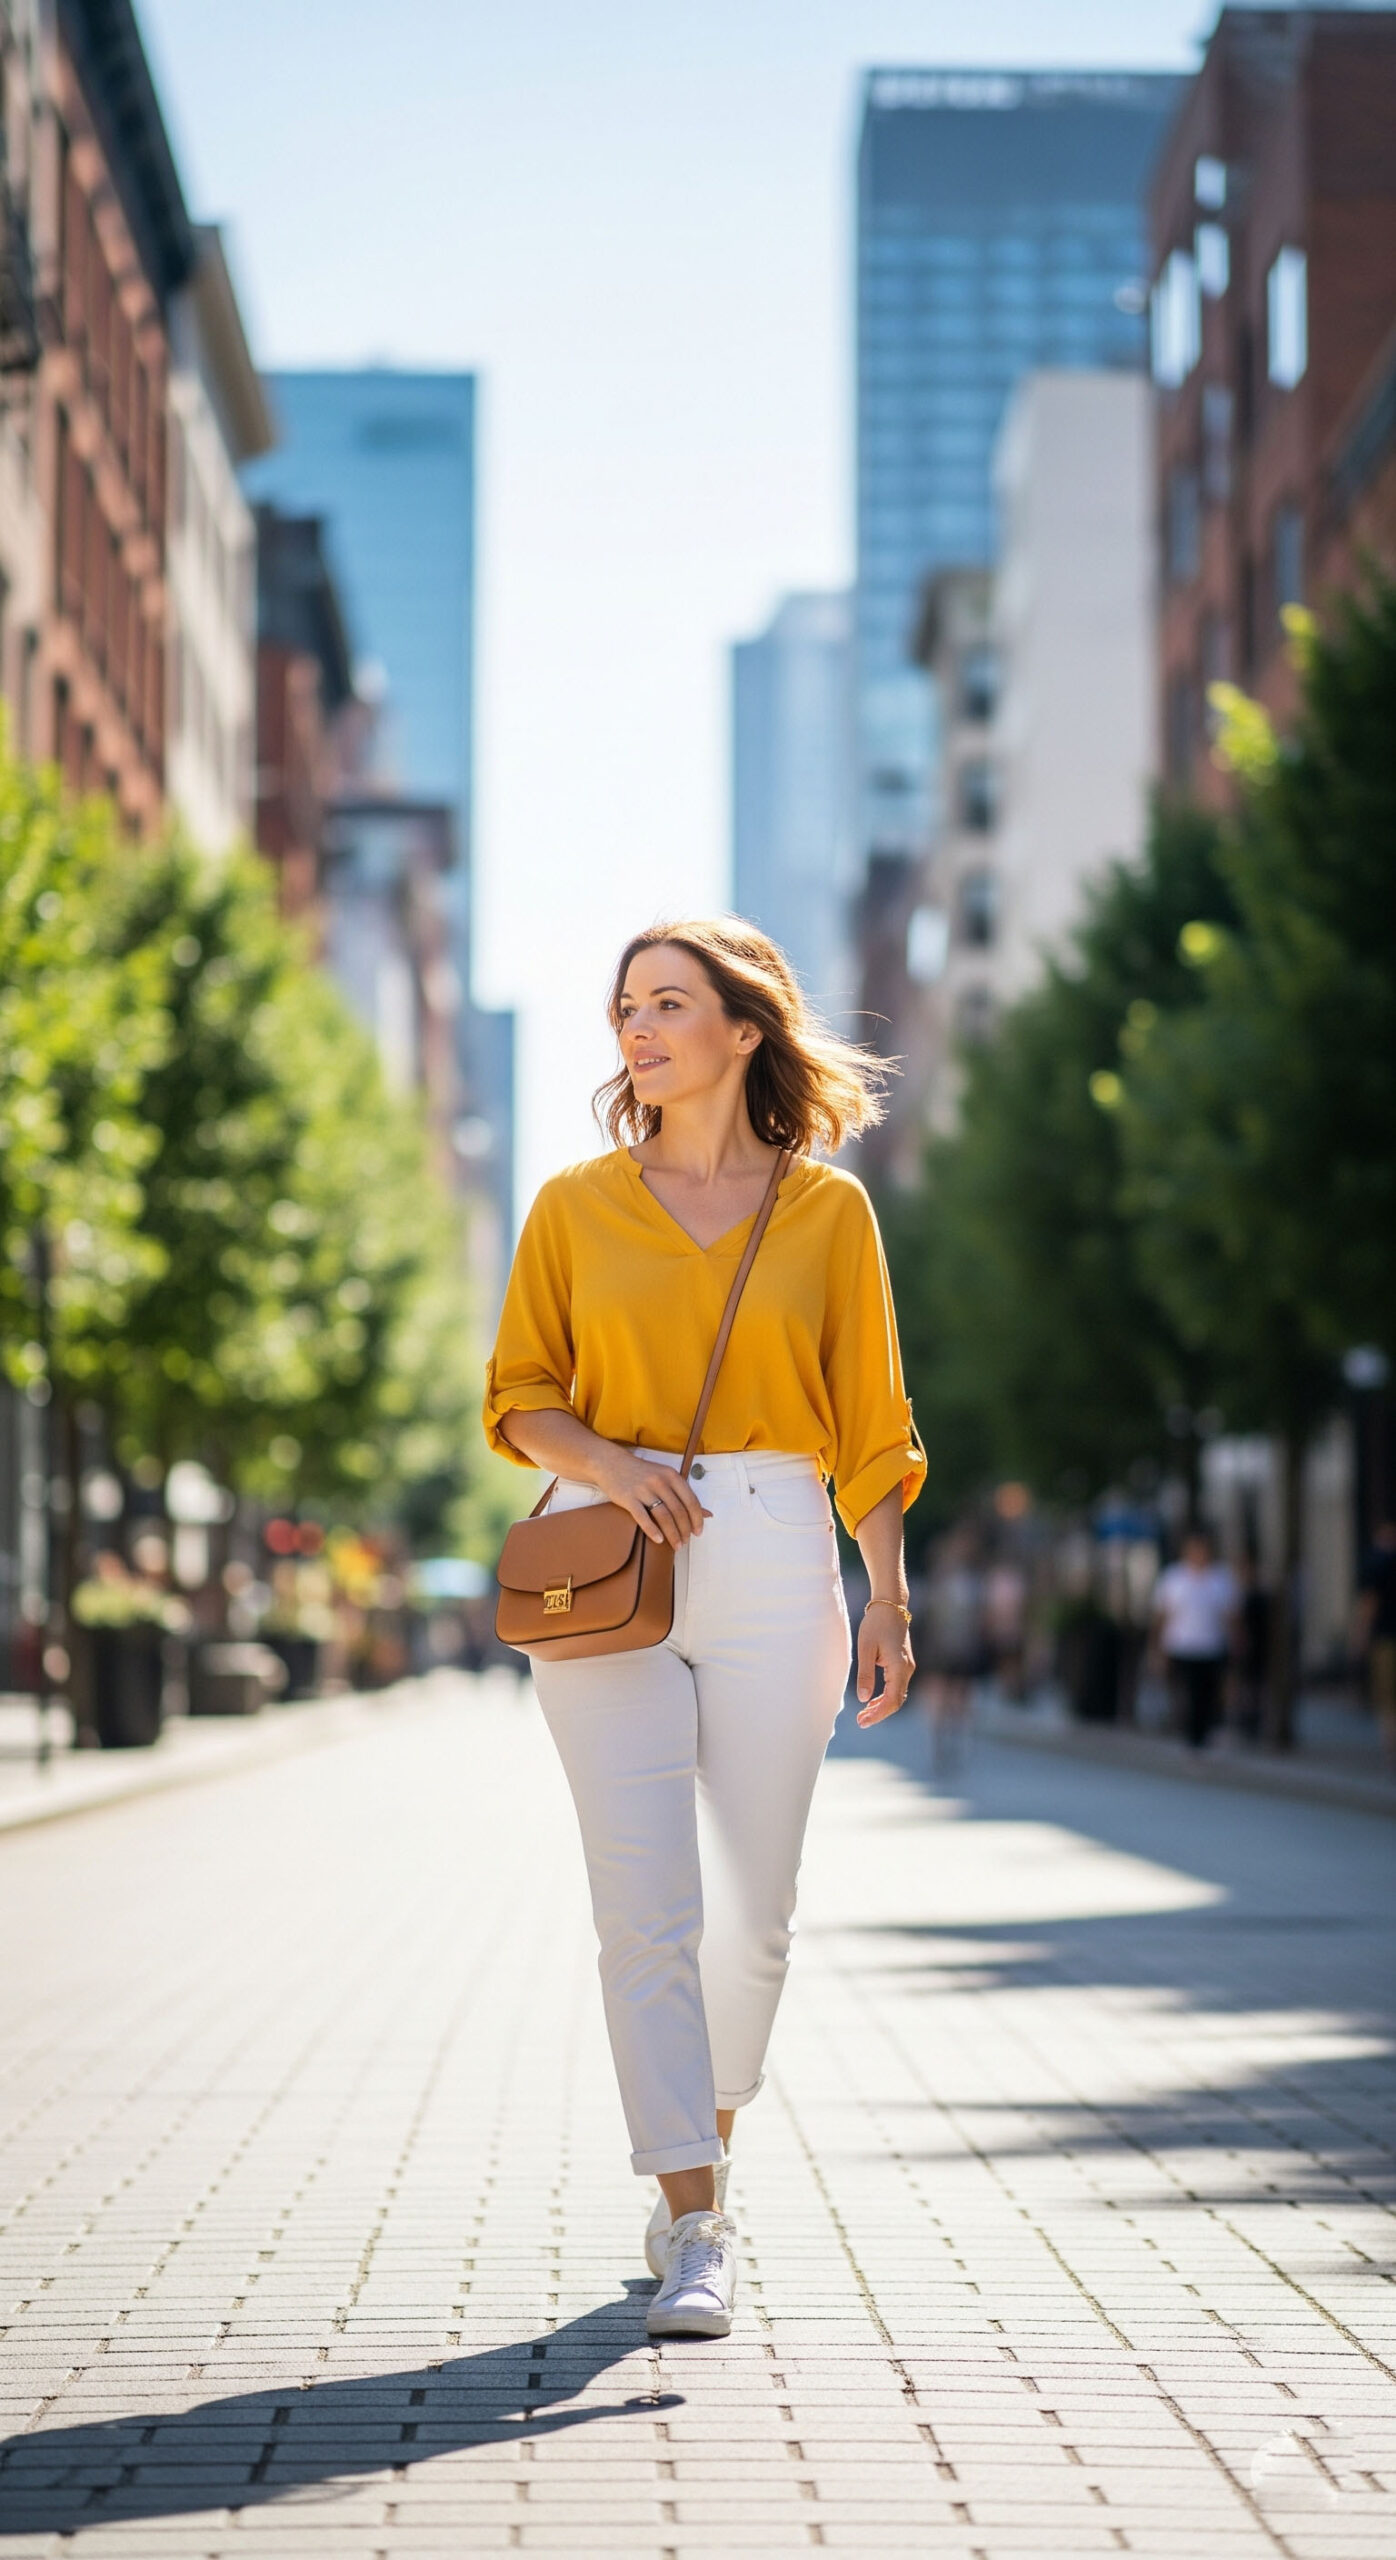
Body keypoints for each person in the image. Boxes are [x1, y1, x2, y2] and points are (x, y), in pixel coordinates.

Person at [484, 920, 924, 2340]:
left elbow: (872, 1422)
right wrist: (614, 1469)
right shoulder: (573, 1205)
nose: (638, 1027)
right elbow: (520, 1394)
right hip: (608, 1554)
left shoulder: (828, 1213)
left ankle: (704, 2140)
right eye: (625, 1006)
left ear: (745, 1030)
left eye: (668, 1003)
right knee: (646, 1910)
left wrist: (887, 1592)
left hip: (781, 1548)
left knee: (753, 1918)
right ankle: (694, 2218)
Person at [1150, 1529, 1240, 1750]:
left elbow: (1231, 1615)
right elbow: (1162, 1615)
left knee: (1208, 1693)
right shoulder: (1174, 1578)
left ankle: (1204, 1733)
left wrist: (1236, 1641)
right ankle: (1190, 1735)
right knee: (1187, 1692)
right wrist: (1157, 1648)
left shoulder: (1220, 1579)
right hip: (1181, 1645)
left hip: (1211, 1646)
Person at [1355, 1519, 1396, 1771]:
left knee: (1388, 1698)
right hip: (1385, 1637)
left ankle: (1392, 1750)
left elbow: (1369, 1603)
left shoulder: (1376, 1564)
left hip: (1385, 1639)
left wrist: (1361, 1636)